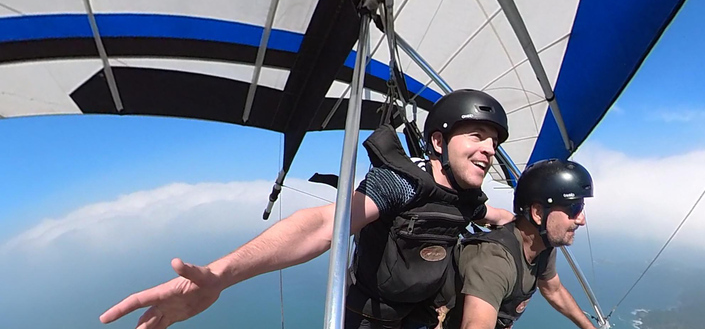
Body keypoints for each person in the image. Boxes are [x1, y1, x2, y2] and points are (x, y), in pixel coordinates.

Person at [100, 89, 515, 329]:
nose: (487, 150)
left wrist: (515, 220)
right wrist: (221, 275)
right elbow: (322, 225)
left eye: (493, 143)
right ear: (439, 144)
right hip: (371, 318)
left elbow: (481, 214)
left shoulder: (467, 195)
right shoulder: (402, 183)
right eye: (475, 136)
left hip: (420, 316)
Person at [444, 159, 596, 329]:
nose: (581, 220)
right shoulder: (495, 260)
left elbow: (554, 291)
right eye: (574, 208)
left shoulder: (542, 246)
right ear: (538, 213)